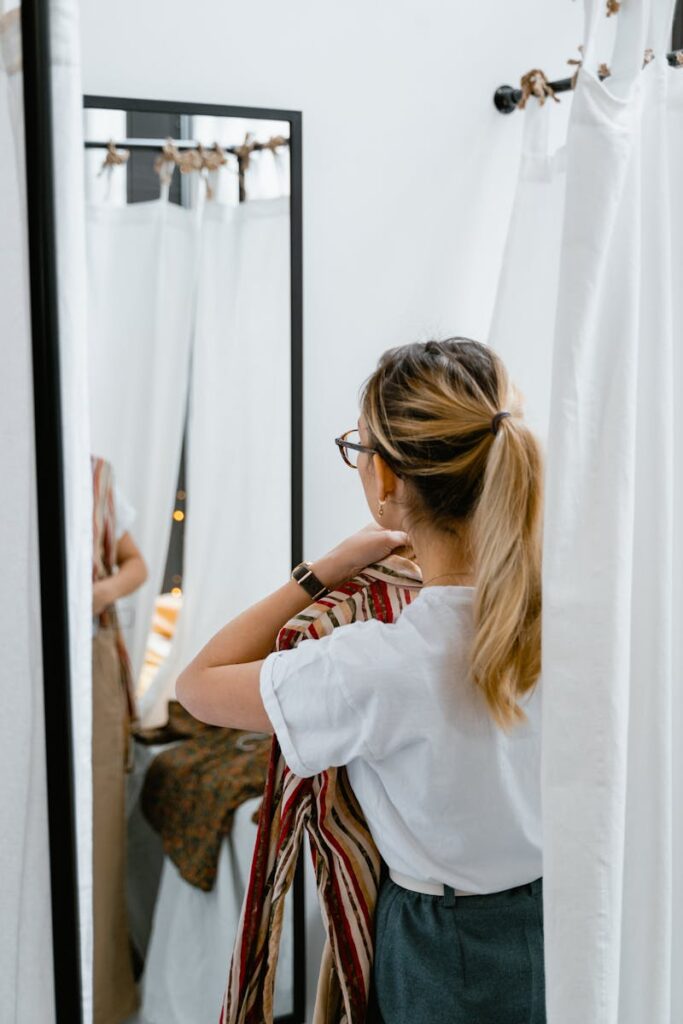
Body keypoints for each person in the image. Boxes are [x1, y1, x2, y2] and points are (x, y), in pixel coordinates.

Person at [176, 337, 545, 1023]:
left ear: (386, 481)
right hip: (558, 917)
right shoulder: (568, 621)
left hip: (443, 946)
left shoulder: (376, 665)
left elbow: (197, 685)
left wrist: (323, 570)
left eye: (359, 448)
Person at [91, 455, 148, 1024]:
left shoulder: (94, 476)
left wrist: (97, 593)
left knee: (100, 823)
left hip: (90, 657)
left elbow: (137, 565)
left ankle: (103, 995)